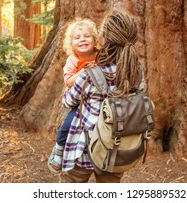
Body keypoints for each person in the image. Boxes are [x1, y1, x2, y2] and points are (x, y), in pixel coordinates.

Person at [60, 9, 143, 183]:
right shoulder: (134, 71)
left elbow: (68, 101)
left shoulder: (89, 73)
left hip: (84, 150)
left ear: (103, 39)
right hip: (115, 149)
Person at [47, 18, 99, 173]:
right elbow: (68, 81)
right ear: (71, 43)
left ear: (94, 39)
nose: (82, 39)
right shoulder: (73, 60)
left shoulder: (100, 56)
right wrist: (83, 72)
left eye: (87, 36)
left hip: (97, 98)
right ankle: (59, 147)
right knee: (69, 124)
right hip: (78, 101)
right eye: (77, 38)